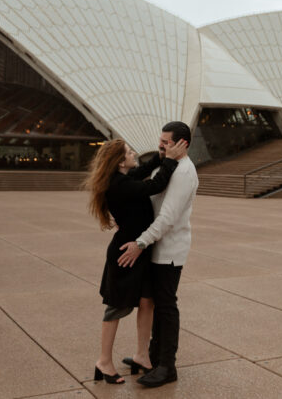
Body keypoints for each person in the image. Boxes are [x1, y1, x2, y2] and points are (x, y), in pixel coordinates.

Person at [84, 137, 187, 384]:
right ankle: (104, 361)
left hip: (139, 251)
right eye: (130, 152)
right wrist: (170, 161)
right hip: (126, 253)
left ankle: (142, 356)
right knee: (117, 307)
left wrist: (160, 155)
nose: (134, 155)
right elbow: (155, 185)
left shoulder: (122, 178)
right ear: (120, 162)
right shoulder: (119, 185)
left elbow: (141, 170)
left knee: (147, 301)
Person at [117, 121, 198, 388]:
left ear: (182, 144)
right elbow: (150, 198)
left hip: (170, 251)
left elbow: (167, 218)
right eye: (160, 140)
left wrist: (139, 243)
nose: (160, 145)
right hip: (156, 248)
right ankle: (151, 358)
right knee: (156, 305)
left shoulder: (185, 172)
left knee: (166, 307)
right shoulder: (168, 167)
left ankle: (167, 366)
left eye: (166, 141)